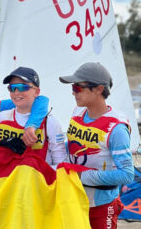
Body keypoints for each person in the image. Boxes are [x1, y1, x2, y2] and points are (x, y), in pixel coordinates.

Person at [59, 62, 134, 229]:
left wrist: (82, 176)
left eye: (78, 88)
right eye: (73, 87)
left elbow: (127, 174)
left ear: (99, 89)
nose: (73, 92)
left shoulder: (117, 128)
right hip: (74, 198)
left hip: (102, 204)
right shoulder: (78, 112)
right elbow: (73, 146)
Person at [0, 67, 67, 168]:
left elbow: (61, 165)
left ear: (37, 92)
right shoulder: (1, 117)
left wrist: (30, 171)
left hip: (38, 181)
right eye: (11, 88)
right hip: (7, 180)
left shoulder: (50, 122)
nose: (16, 92)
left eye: (22, 87)